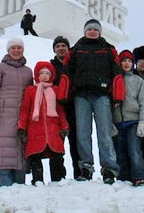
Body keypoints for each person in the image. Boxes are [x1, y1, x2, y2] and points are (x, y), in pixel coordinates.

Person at [64, 19, 124, 183]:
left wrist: (117, 95)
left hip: (102, 95)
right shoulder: (76, 49)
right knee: (83, 134)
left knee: (104, 134)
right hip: (81, 96)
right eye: (89, 29)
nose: (92, 31)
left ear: (99, 32)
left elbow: (116, 72)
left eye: (95, 29)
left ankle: (109, 169)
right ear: (84, 31)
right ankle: (86, 168)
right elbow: (67, 71)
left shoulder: (108, 49)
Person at [0, 37, 33, 186]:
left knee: (20, 153)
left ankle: (19, 190)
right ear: (8, 50)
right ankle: (5, 188)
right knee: (3, 152)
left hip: (21, 117)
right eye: (13, 48)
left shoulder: (28, 71)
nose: (16, 50)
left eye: (19, 48)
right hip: (3, 116)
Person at [18, 61, 69, 185]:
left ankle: (58, 180)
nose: (45, 76)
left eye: (47, 73)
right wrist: (22, 127)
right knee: (36, 156)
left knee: (56, 156)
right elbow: (25, 110)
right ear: (37, 75)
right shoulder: (31, 90)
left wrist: (64, 126)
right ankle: (37, 180)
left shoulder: (55, 90)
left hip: (54, 130)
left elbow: (60, 110)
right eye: (42, 73)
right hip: (35, 130)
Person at [112, 50, 144, 185]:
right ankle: (123, 177)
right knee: (120, 152)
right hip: (118, 122)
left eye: (129, 61)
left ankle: (139, 176)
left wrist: (143, 122)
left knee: (135, 151)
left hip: (133, 121)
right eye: (124, 61)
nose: (126, 63)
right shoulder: (114, 79)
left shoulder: (138, 80)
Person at [50, 35, 80, 179]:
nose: (61, 48)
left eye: (63, 46)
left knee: (76, 143)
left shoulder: (75, 64)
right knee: (56, 144)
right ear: (54, 50)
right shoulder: (51, 66)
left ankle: (79, 175)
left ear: (68, 49)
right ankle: (58, 177)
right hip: (56, 110)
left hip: (74, 109)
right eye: (58, 46)